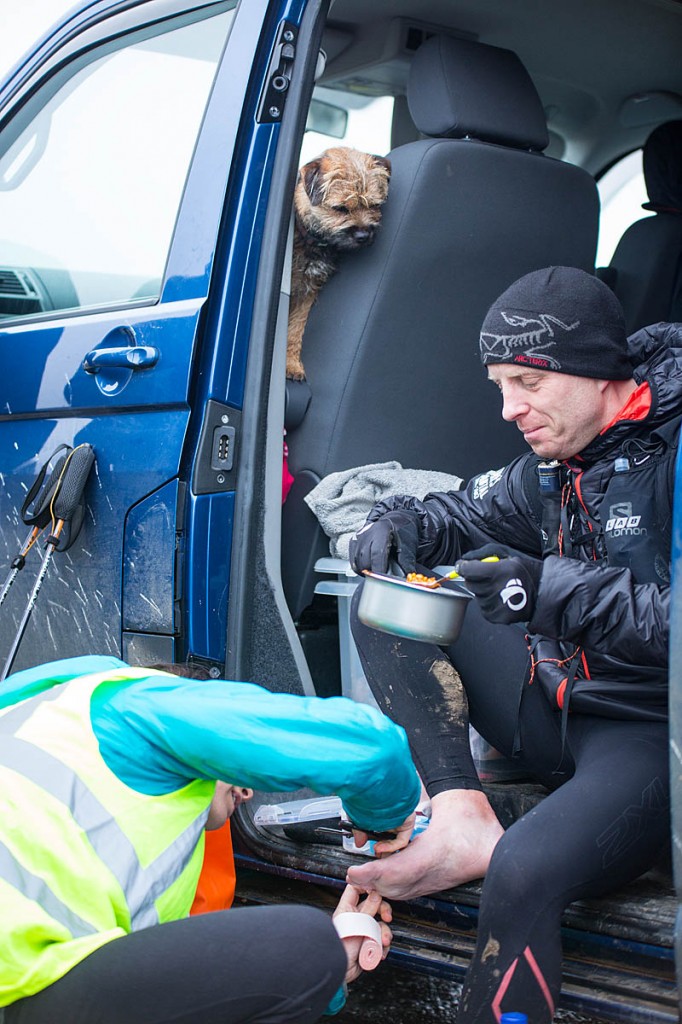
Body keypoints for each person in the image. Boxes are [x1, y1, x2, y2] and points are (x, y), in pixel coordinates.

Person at [346, 266, 679, 1023]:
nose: (509, 408)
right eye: (501, 383)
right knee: (389, 604)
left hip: (649, 735)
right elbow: (466, 511)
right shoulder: (552, 458)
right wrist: (405, 525)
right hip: (551, 701)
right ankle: (461, 815)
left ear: (598, 372)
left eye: (528, 380)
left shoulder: (673, 454)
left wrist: (548, 588)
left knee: (523, 871)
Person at [0, 653, 421, 1023]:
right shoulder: (139, 708)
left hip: (22, 984)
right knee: (305, 943)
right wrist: (384, 822)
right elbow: (371, 750)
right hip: (18, 990)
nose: (247, 789)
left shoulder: (30, 719)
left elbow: (178, 984)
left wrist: (332, 964)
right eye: (229, 766)